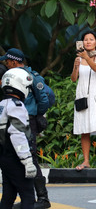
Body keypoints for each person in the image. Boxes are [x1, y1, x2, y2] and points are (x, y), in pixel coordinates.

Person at [1, 48, 51, 208]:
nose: (6, 64)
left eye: (7, 61)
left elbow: (44, 99)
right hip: (18, 123)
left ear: (14, 61)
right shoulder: (13, 86)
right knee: (24, 160)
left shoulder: (29, 77)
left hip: (26, 120)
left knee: (31, 158)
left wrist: (34, 115)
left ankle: (43, 198)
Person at [71, 31, 96, 174]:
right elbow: (74, 79)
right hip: (82, 95)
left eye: (91, 39)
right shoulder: (79, 58)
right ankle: (86, 161)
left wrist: (86, 57)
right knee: (84, 129)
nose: (88, 42)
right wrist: (76, 66)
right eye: (85, 40)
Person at [0, 68, 37, 209]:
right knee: (28, 196)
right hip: (16, 158)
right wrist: (27, 160)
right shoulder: (17, 106)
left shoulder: (2, 104)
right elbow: (17, 135)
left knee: (8, 195)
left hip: (4, 156)